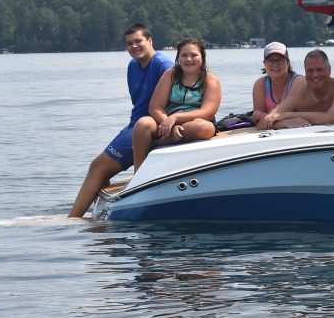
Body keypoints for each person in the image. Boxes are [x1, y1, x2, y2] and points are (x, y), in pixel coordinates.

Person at [68, 24, 175, 217]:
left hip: (148, 125)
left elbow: (175, 98)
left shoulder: (163, 65)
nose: (134, 46)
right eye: (129, 43)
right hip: (134, 124)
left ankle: (73, 219)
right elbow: (138, 101)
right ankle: (97, 216)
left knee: (98, 167)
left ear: (150, 41)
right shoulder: (133, 66)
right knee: (101, 170)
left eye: (138, 41)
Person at [131, 37, 222, 171]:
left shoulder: (210, 80)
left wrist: (176, 118)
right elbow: (155, 107)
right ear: (178, 58)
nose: (188, 59)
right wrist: (169, 124)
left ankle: (150, 144)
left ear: (202, 57)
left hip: (192, 124)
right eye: (184, 55)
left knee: (205, 128)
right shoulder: (170, 75)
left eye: (194, 55)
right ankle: (137, 173)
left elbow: (207, 112)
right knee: (143, 123)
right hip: (165, 122)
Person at [257, 49, 334, 129]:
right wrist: (284, 122)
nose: (315, 75)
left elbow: (330, 118)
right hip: (319, 143)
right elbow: (265, 121)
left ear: (329, 70)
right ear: (305, 72)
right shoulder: (300, 93)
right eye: (310, 71)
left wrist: (287, 115)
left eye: (319, 70)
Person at [250, 42, 301, 125]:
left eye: (279, 60)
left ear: (288, 62)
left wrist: (267, 118)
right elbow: (257, 118)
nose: (275, 64)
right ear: (264, 63)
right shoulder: (260, 84)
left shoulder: (298, 82)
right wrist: (284, 123)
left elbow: (261, 117)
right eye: (271, 61)